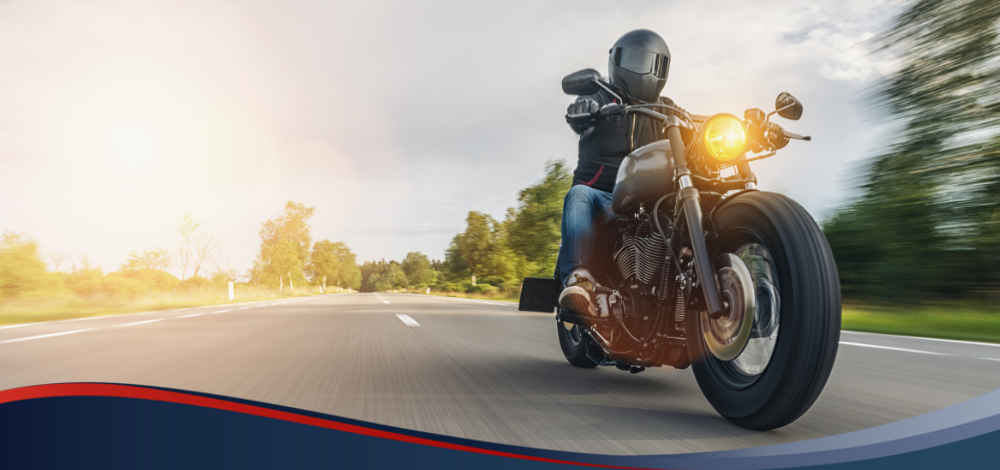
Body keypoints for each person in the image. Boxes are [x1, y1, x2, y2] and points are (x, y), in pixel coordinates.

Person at [557, 29, 685, 317]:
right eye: (635, 61)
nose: (642, 69)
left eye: (650, 62)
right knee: (578, 194)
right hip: (603, 196)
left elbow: (695, 128)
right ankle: (579, 279)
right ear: (617, 62)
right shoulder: (601, 97)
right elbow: (578, 110)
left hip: (650, 201)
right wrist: (583, 111)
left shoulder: (667, 109)